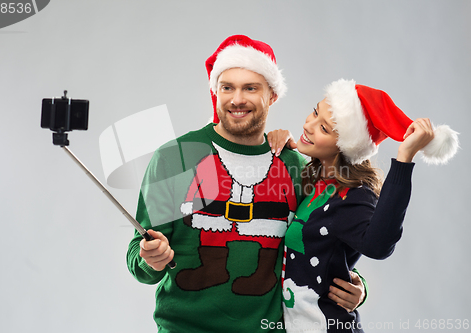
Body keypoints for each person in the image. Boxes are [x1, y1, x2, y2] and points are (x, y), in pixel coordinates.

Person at [126, 35, 366, 333]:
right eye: (227, 87)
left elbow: (327, 247)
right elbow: (140, 259)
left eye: (250, 88)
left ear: (272, 95)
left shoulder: (297, 167)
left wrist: (357, 287)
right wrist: (152, 258)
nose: (237, 99)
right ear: (216, 91)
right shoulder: (175, 158)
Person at [267, 79, 459, 332]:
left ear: (344, 146)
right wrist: (276, 141)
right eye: (315, 112)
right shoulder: (314, 180)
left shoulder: (351, 196)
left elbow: (378, 246)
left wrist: (404, 159)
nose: (308, 125)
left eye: (324, 128)